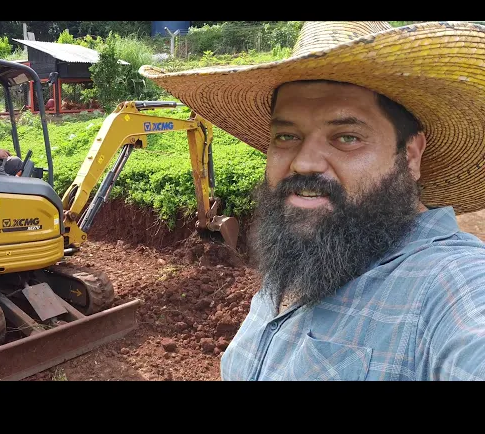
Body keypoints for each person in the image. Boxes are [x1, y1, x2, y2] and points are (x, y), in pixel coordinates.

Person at [139, 21, 485, 380]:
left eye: (347, 137)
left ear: (410, 155)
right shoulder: (308, 253)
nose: (304, 163)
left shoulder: (453, 286)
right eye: (287, 136)